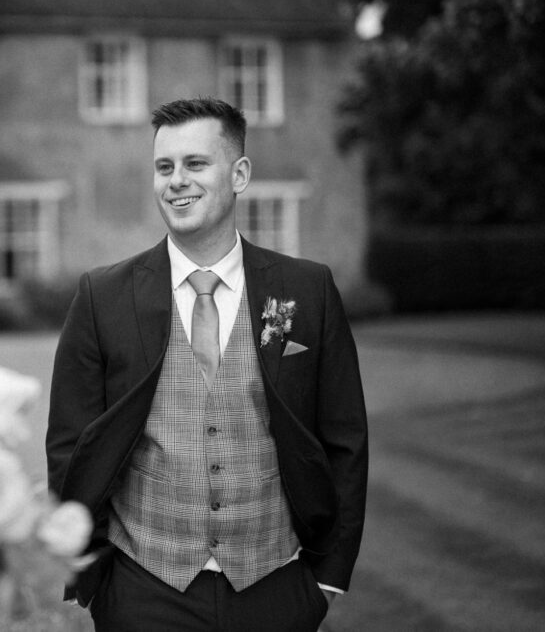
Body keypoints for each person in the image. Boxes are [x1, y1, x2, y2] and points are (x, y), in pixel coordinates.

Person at [47, 97, 368, 631]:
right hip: (142, 591)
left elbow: (345, 440)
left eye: (196, 164)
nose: (177, 181)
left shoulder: (307, 290)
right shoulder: (102, 297)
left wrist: (327, 579)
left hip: (276, 587)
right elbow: (69, 445)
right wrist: (96, 578)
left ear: (239, 173)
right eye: (164, 167)